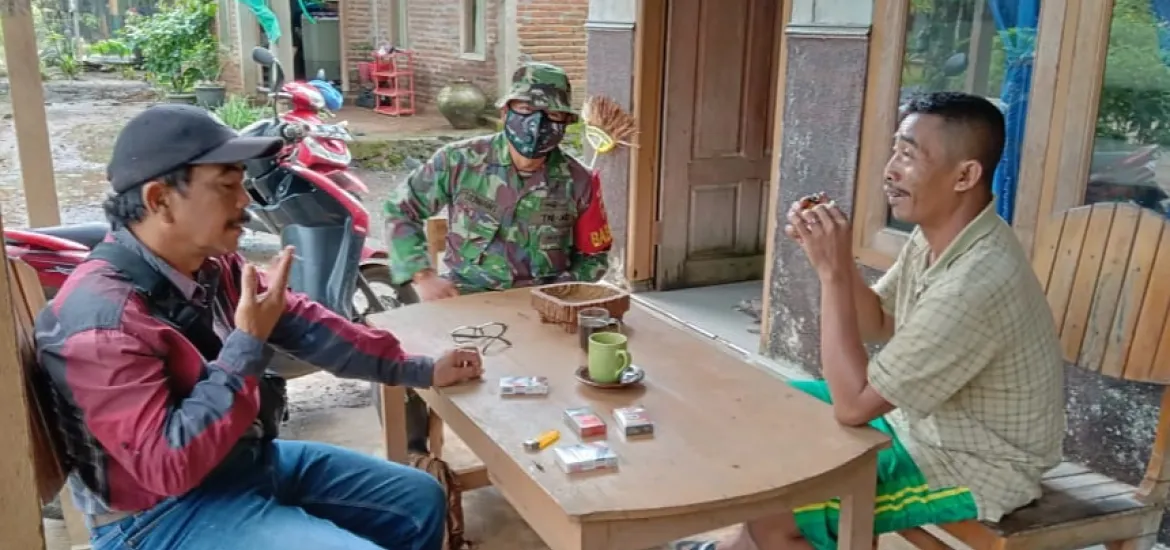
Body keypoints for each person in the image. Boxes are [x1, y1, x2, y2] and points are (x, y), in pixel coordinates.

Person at [33, 104, 484, 550]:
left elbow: (309, 324)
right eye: (227, 185)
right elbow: (168, 466)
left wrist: (419, 369)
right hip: (157, 515)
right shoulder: (102, 325)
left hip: (237, 462)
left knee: (418, 498)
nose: (244, 200)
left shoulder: (213, 267)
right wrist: (246, 344)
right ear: (160, 200)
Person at [674, 92, 1066, 550]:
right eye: (894, 151)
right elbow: (876, 320)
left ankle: (763, 539)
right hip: (914, 422)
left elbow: (855, 405)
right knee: (760, 410)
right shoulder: (939, 237)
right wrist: (831, 255)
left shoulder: (976, 281)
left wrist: (833, 273)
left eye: (909, 156)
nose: (890, 170)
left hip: (972, 461)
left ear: (965, 176)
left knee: (781, 507)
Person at [384, 61, 613, 301]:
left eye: (553, 115)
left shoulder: (580, 181)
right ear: (505, 112)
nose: (537, 124)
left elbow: (594, 256)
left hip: (543, 301)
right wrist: (423, 275)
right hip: (466, 296)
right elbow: (399, 208)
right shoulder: (459, 160)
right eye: (525, 109)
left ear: (565, 123)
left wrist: (564, 289)